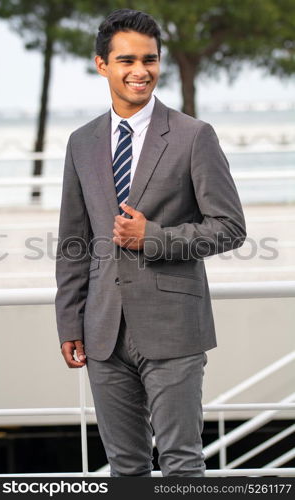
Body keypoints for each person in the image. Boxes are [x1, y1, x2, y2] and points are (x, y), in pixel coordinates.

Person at [55, 8, 246, 477]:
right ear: (102, 65)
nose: (141, 71)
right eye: (126, 61)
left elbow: (230, 227)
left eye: (150, 59)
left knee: (182, 464)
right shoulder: (82, 142)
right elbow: (74, 240)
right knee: (125, 467)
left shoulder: (193, 136)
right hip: (102, 332)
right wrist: (68, 321)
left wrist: (154, 237)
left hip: (174, 328)